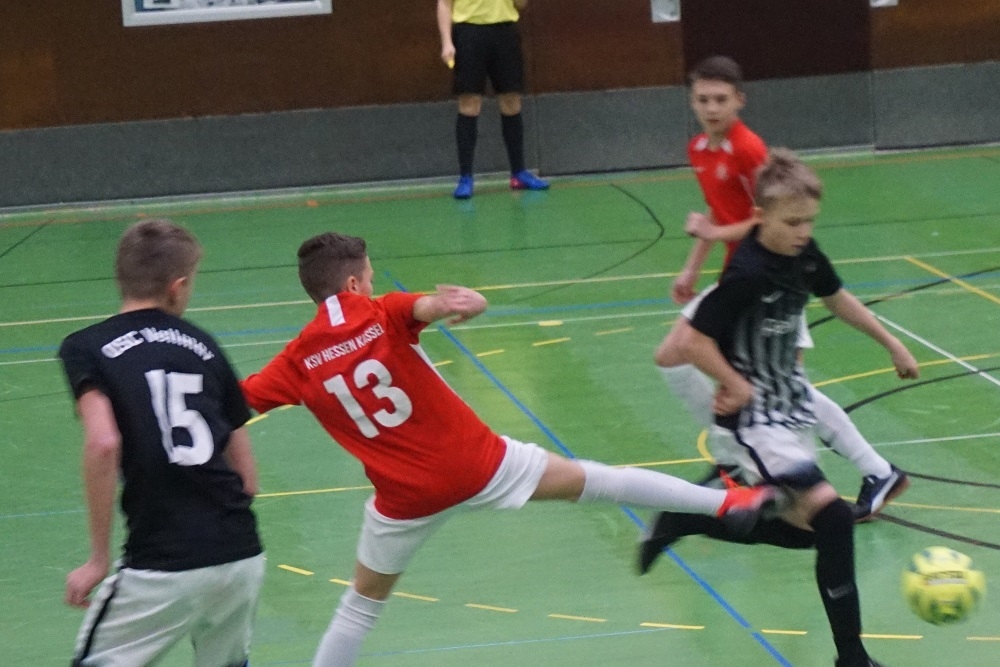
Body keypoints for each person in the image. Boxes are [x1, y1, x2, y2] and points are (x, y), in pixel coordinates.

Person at [239, 231, 776, 667]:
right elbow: (432, 305)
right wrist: (467, 301)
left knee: (359, 607)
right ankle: (727, 502)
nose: (374, 284)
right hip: (478, 464)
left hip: (404, 501)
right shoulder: (381, 311)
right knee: (600, 481)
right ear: (354, 283)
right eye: (371, 277)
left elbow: (235, 403)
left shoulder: (295, 361)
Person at [642, 150, 918, 667]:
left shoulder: (804, 254)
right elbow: (691, 344)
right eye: (792, 223)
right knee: (833, 518)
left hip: (788, 410)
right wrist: (733, 384)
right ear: (760, 217)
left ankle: (691, 516)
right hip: (753, 424)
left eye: (810, 221)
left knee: (817, 532)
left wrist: (891, 343)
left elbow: (837, 297)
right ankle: (852, 658)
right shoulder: (746, 274)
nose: (803, 232)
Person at [657, 55, 909, 523]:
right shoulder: (700, 149)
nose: (711, 108)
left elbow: (767, 216)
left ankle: (861, 470)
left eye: (720, 99)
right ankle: (747, 459)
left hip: (774, 281)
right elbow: (719, 211)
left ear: (739, 100)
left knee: (779, 383)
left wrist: (717, 236)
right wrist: (692, 267)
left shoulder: (749, 150)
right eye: (702, 99)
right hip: (740, 280)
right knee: (694, 362)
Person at [58, 219, 265, 667]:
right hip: (240, 554)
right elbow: (247, 480)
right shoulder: (205, 346)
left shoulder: (86, 347)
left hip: (161, 562)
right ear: (178, 286)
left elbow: (103, 443)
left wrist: (97, 559)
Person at [436, 0, 550, 199]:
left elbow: (520, 4)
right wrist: (446, 42)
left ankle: (518, 173)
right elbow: (444, 4)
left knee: (511, 101)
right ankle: (465, 178)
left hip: (504, 32)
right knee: (469, 104)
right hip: (469, 32)